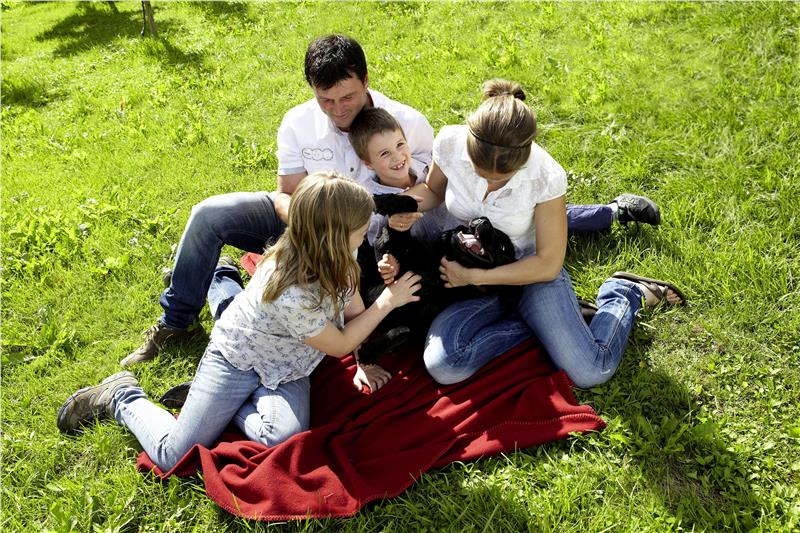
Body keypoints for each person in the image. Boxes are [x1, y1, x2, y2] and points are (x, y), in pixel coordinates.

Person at [124, 34, 660, 367]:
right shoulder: (299, 123)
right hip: (315, 218)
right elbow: (292, 196)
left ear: (366, 81)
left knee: (497, 221)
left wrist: (394, 229)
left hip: (388, 224)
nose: (338, 110)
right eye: (326, 100)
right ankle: (175, 320)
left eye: (348, 97)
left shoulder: (411, 124)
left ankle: (608, 228)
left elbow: (439, 197)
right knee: (209, 214)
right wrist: (319, 229)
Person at [57, 173, 422, 472]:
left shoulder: (339, 253)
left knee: (281, 438)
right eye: (360, 231)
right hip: (237, 357)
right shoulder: (292, 290)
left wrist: (364, 360)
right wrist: (388, 301)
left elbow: (352, 310)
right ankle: (122, 396)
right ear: (332, 236)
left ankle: (218, 393)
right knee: (172, 454)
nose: (364, 237)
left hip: (288, 366)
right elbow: (339, 343)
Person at [386, 79, 684, 389]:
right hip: (469, 278)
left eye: (501, 178)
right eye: (479, 172)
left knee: (591, 371)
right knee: (445, 365)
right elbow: (433, 190)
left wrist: (474, 276)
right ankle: (550, 322)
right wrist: (403, 206)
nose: (489, 183)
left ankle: (624, 292)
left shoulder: (545, 175)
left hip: (527, 274)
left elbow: (547, 264)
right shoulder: (450, 141)